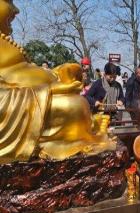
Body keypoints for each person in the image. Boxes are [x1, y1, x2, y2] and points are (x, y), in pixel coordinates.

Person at [0, 0, 114, 162]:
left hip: (39, 96)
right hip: (21, 105)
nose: (16, 10)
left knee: (76, 105)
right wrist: (48, 91)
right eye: (8, 1)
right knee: (73, 107)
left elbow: (19, 72)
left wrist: (57, 74)